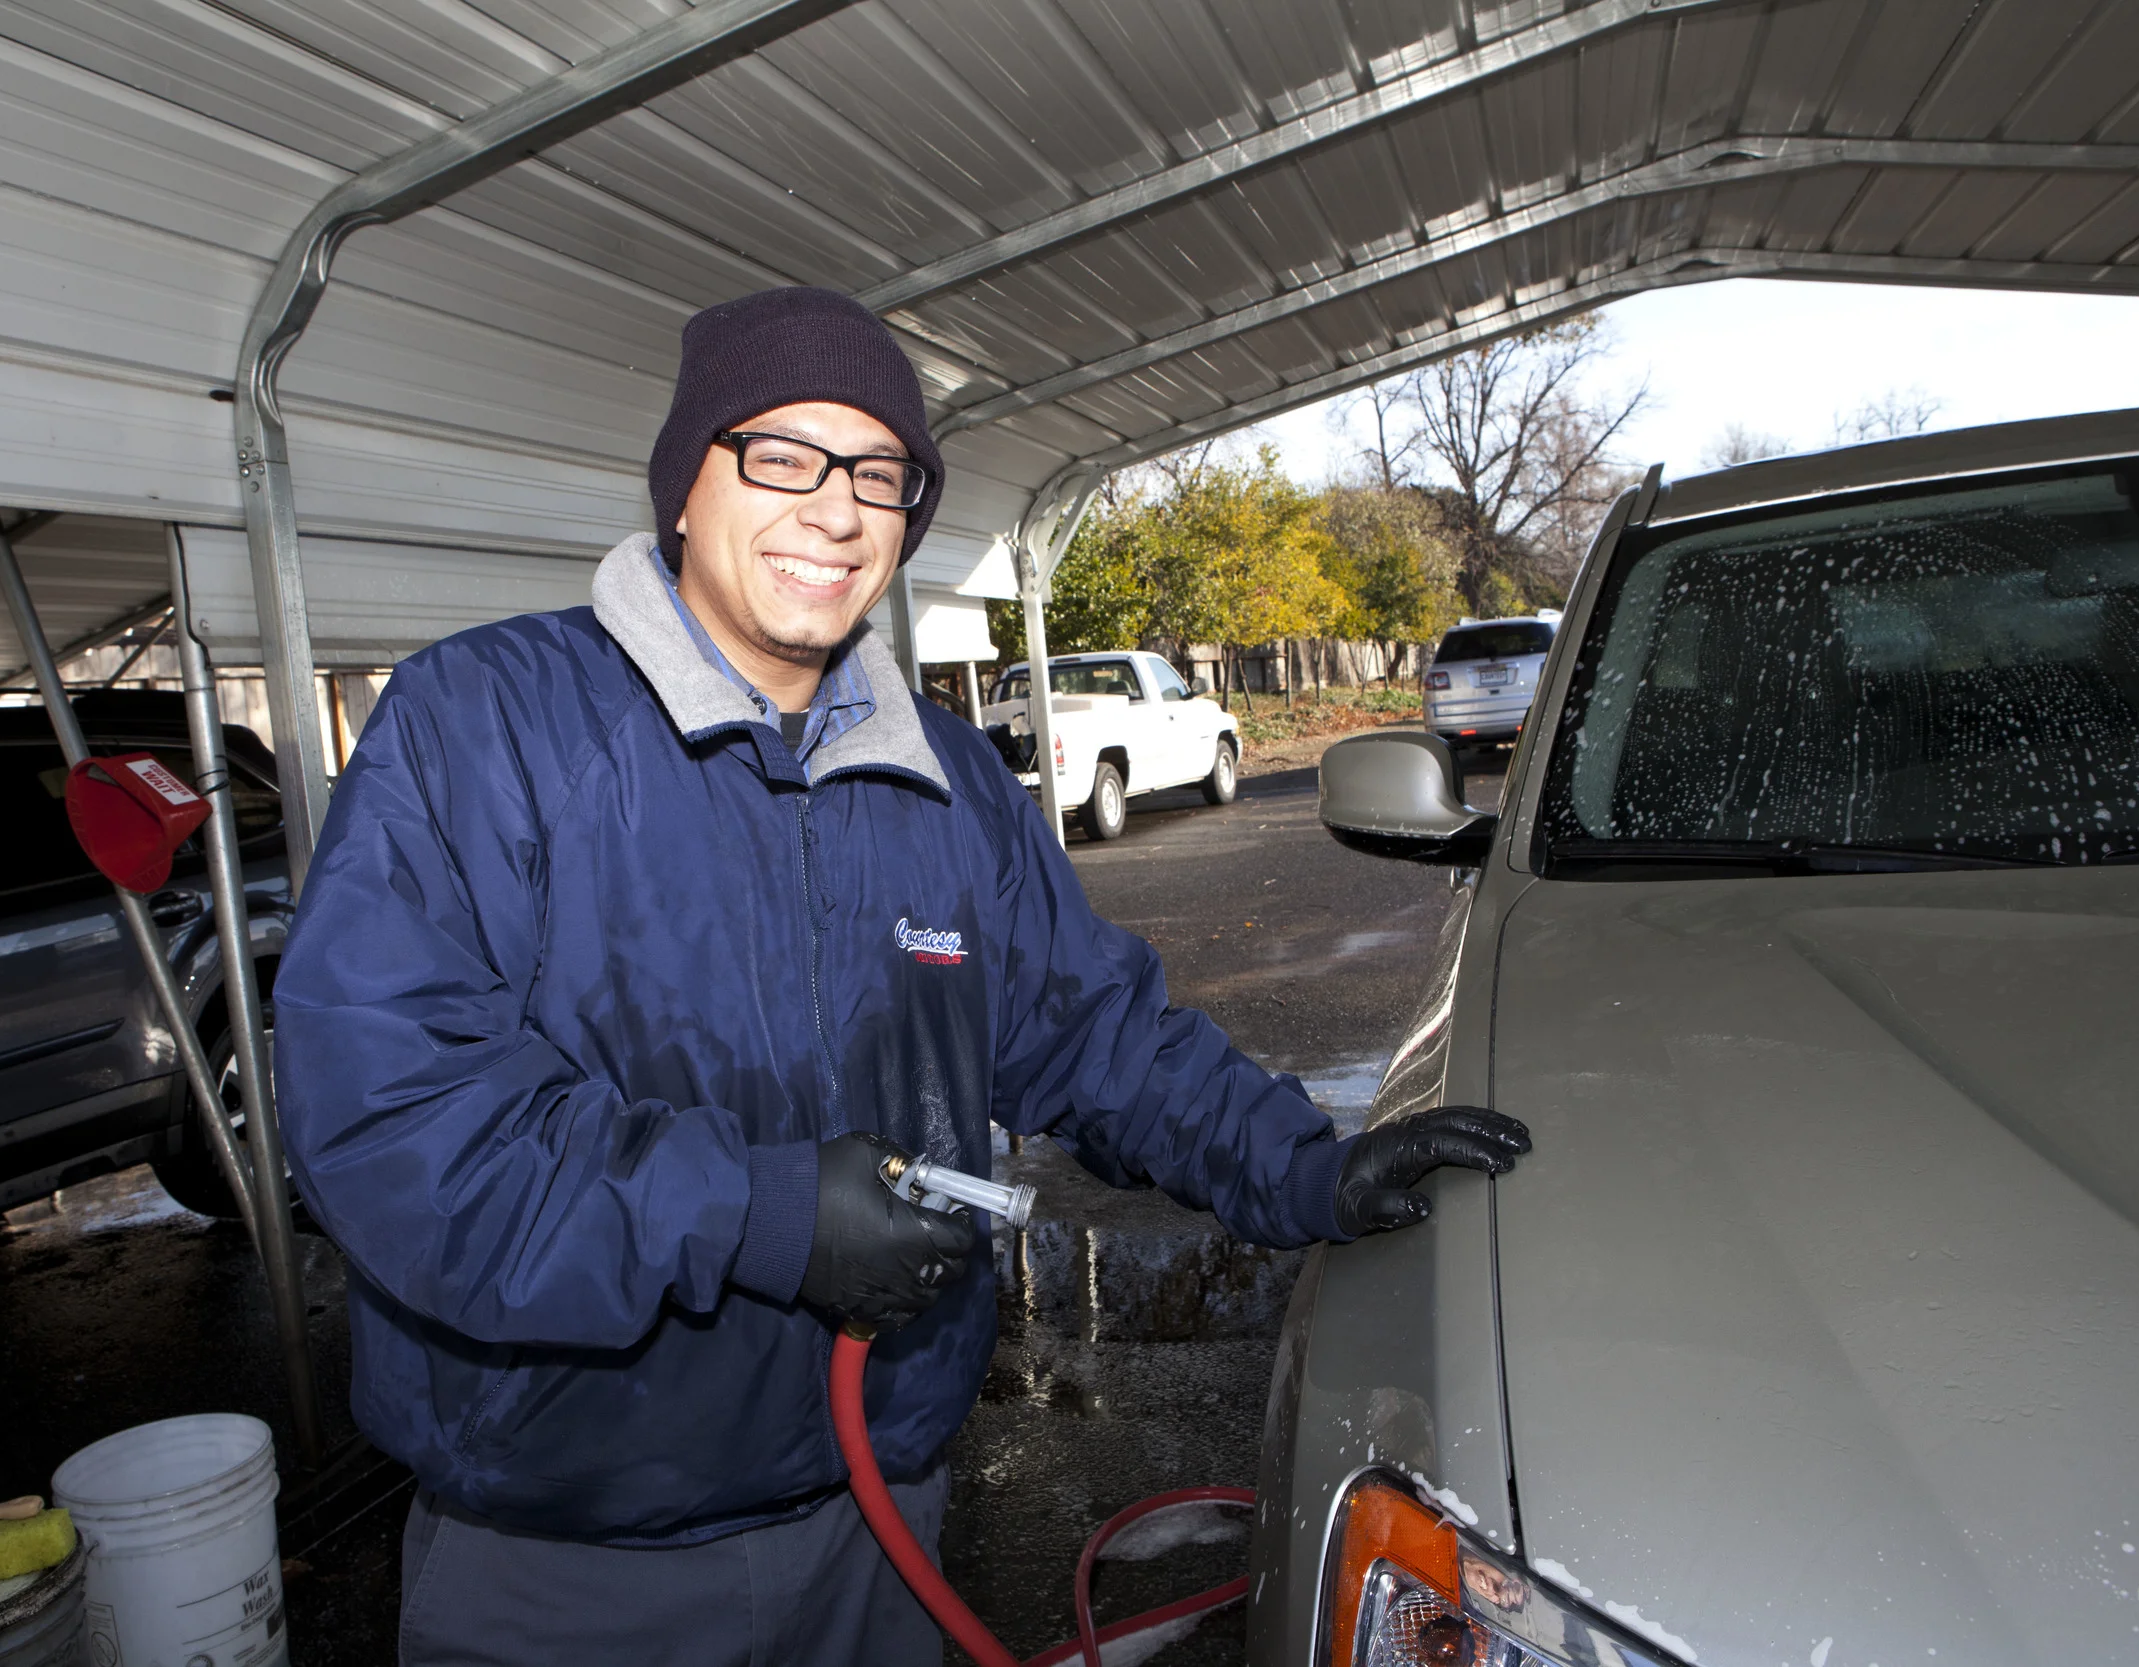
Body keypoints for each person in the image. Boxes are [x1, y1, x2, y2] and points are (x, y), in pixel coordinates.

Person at [272, 286, 1530, 1666]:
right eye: (783, 455)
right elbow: (395, 1123)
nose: (835, 508)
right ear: (683, 483)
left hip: (877, 1538)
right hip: (570, 1567)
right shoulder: (485, 727)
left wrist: (1303, 1168)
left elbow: (1095, 1031)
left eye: (880, 472)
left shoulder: (943, 778)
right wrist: (754, 1210)